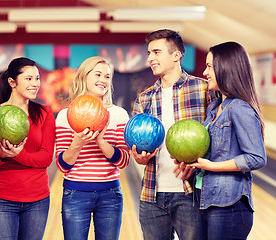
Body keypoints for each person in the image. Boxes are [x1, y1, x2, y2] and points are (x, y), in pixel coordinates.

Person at [130, 29, 218, 240]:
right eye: (149, 53)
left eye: (156, 52)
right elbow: (136, 149)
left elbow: (219, 138)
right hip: (151, 196)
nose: (150, 58)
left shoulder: (204, 89)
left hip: (191, 195)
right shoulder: (144, 99)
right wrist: (138, 157)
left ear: (176, 55)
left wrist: (198, 162)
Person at [175, 41, 267, 240]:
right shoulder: (214, 107)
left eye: (209, 66)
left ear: (226, 68)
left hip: (229, 205)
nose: (205, 72)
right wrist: (192, 163)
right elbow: (213, 152)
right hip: (204, 199)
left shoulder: (239, 109)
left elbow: (256, 158)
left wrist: (211, 166)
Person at [0, 57, 55, 240]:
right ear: (12, 82)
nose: (35, 84)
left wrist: (18, 155)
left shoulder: (45, 114)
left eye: (37, 78)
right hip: (1, 199)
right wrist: (1, 156)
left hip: (37, 200)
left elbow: (45, 158)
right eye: (28, 79)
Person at [55, 56, 130, 240]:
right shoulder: (66, 115)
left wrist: (101, 141)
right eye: (98, 74)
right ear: (83, 77)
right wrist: (77, 143)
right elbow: (63, 166)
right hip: (75, 194)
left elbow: (124, 161)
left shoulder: (119, 114)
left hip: (110, 195)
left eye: (107, 76)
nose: (103, 80)